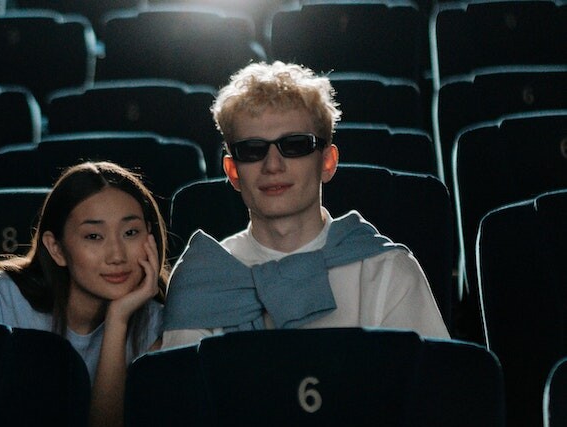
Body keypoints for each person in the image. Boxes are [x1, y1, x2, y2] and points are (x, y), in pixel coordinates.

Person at [161, 61, 449, 348]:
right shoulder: (201, 281)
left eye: (296, 145)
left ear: (327, 162)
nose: (272, 165)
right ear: (233, 172)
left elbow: (432, 387)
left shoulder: (388, 270)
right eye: (252, 150)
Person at [0, 161, 169, 427]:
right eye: (94, 236)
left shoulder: (157, 322)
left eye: (130, 232)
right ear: (55, 248)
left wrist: (118, 320)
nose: (117, 255)